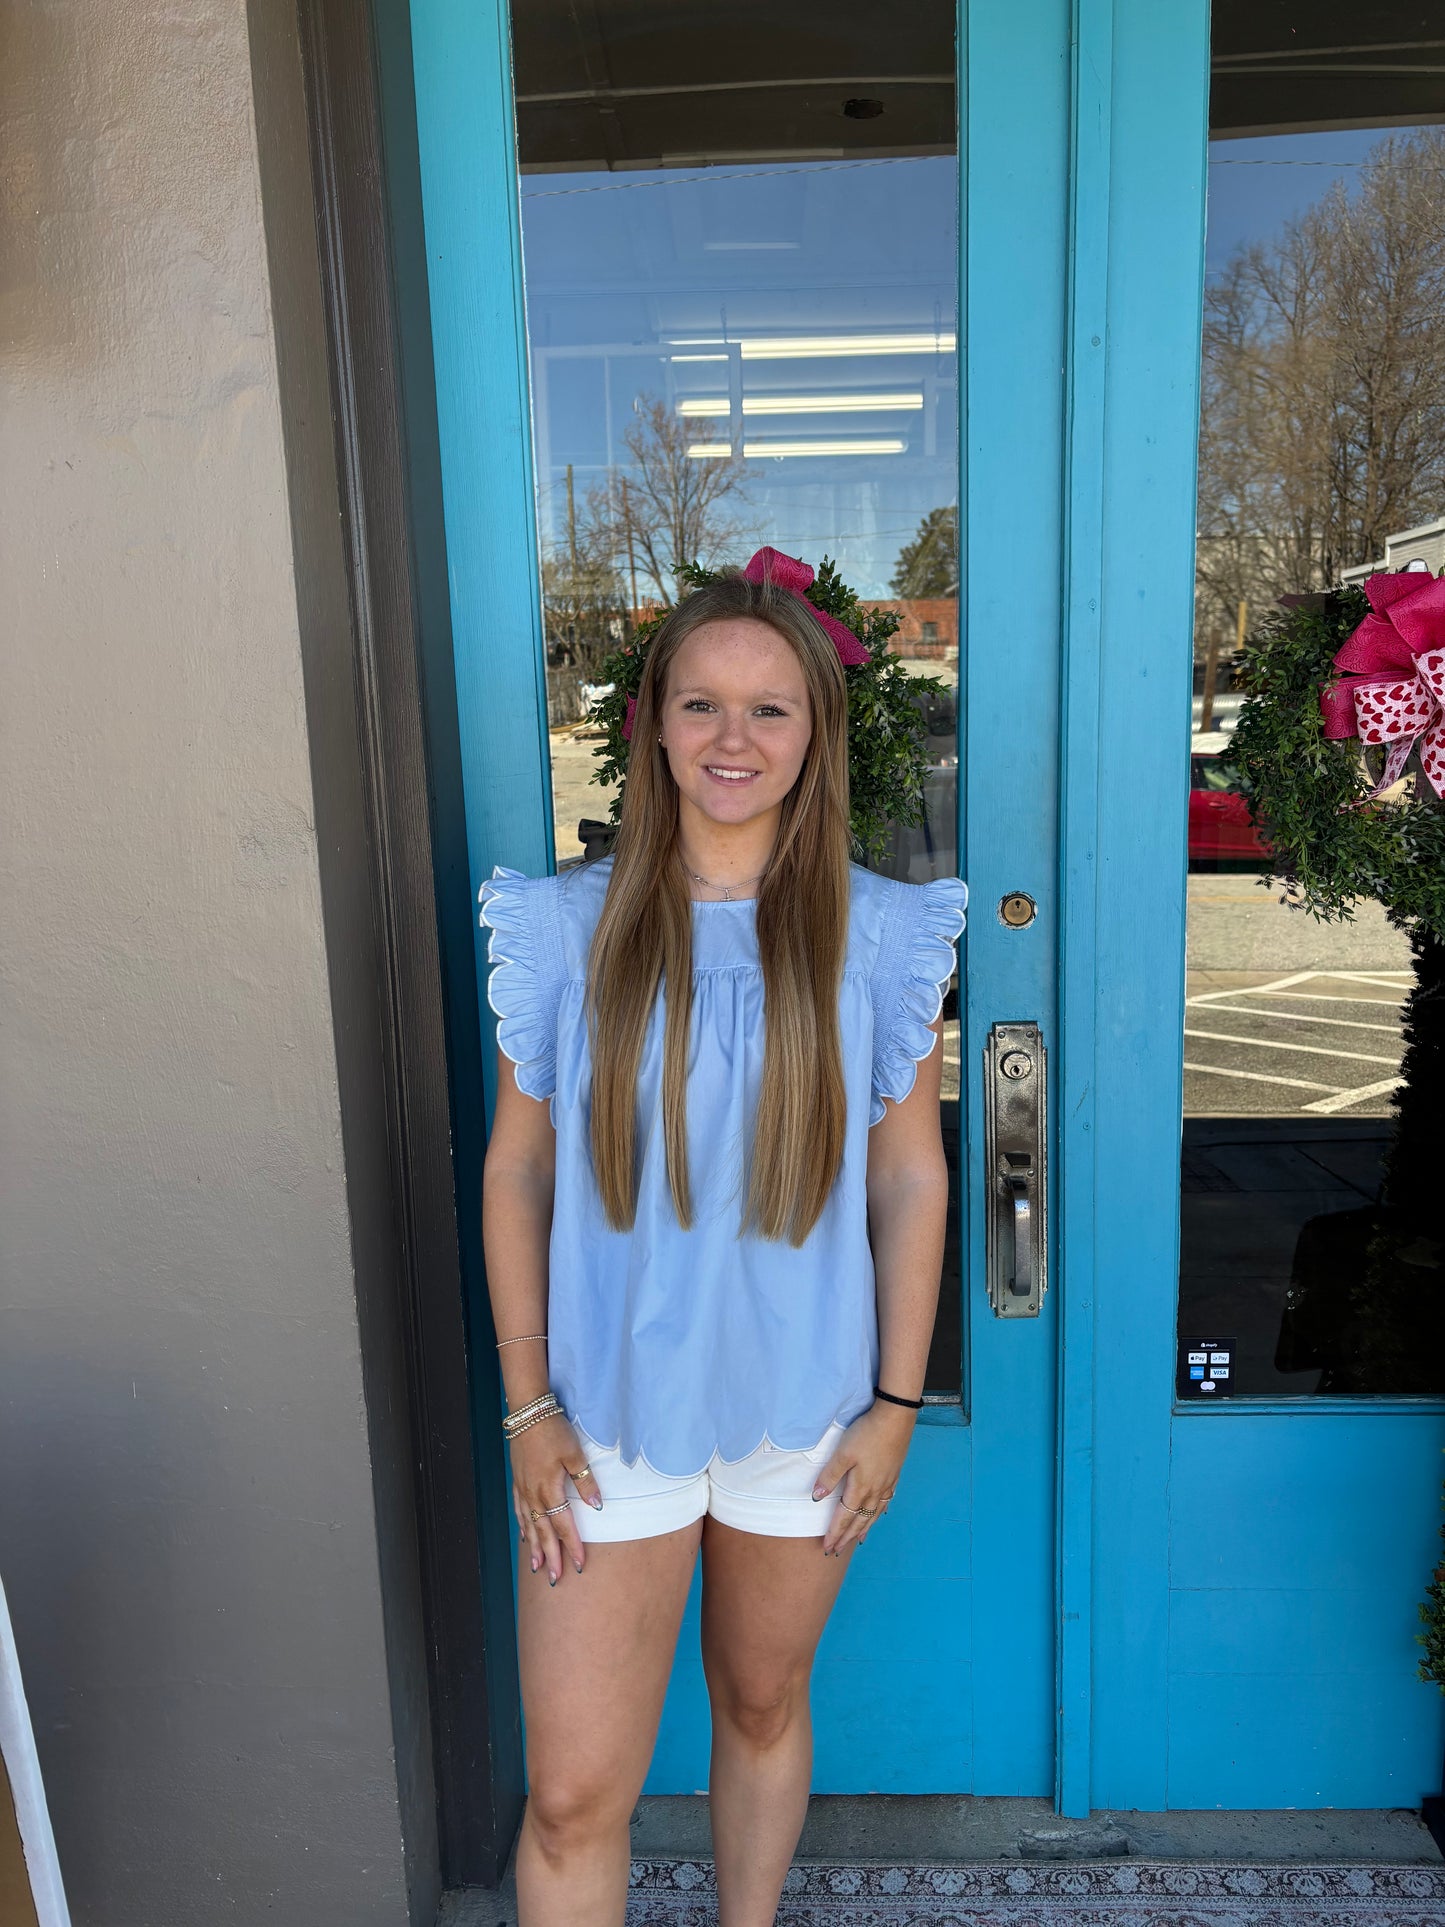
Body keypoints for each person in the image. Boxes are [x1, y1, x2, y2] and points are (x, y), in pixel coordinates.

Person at [479, 559, 968, 1927]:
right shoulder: (562, 930)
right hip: (602, 1422)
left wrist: (892, 1406)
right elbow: (517, 1172)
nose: (733, 741)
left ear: (815, 731)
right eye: (700, 706)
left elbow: (910, 1185)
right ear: (651, 725)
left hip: (803, 1420)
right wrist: (525, 1402)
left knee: (760, 1702)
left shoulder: (877, 934)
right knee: (576, 1793)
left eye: (767, 710)